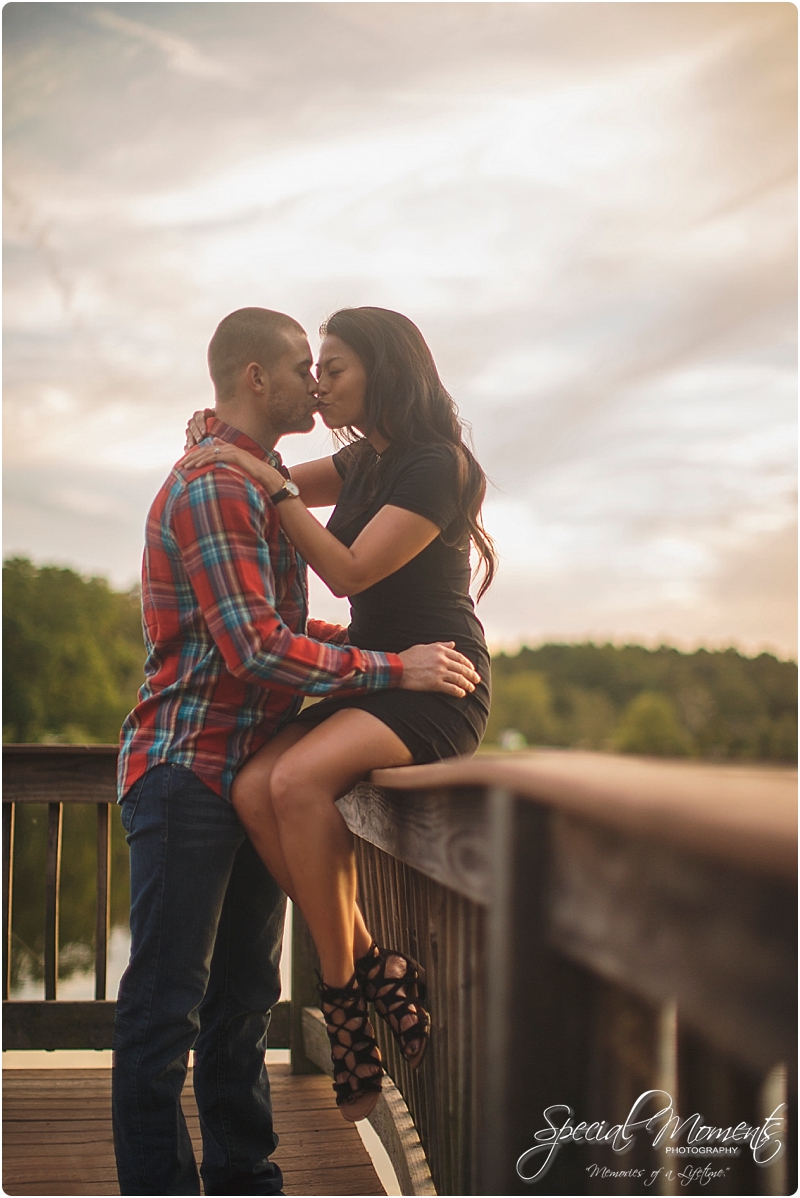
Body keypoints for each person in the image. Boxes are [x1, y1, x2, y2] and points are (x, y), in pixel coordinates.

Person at [112, 306, 480, 1197]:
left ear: (381, 369)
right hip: (192, 763)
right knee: (166, 1011)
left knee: (241, 1002)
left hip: (283, 738)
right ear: (258, 379)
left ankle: (248, 1173)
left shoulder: (399, 466)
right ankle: (353, 977)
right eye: (306, 366)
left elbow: (319, 588)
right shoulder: (220, 486)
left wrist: (254, 465)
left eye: (335, 366)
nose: (317, 380)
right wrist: (230, 450)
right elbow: (258, 646)